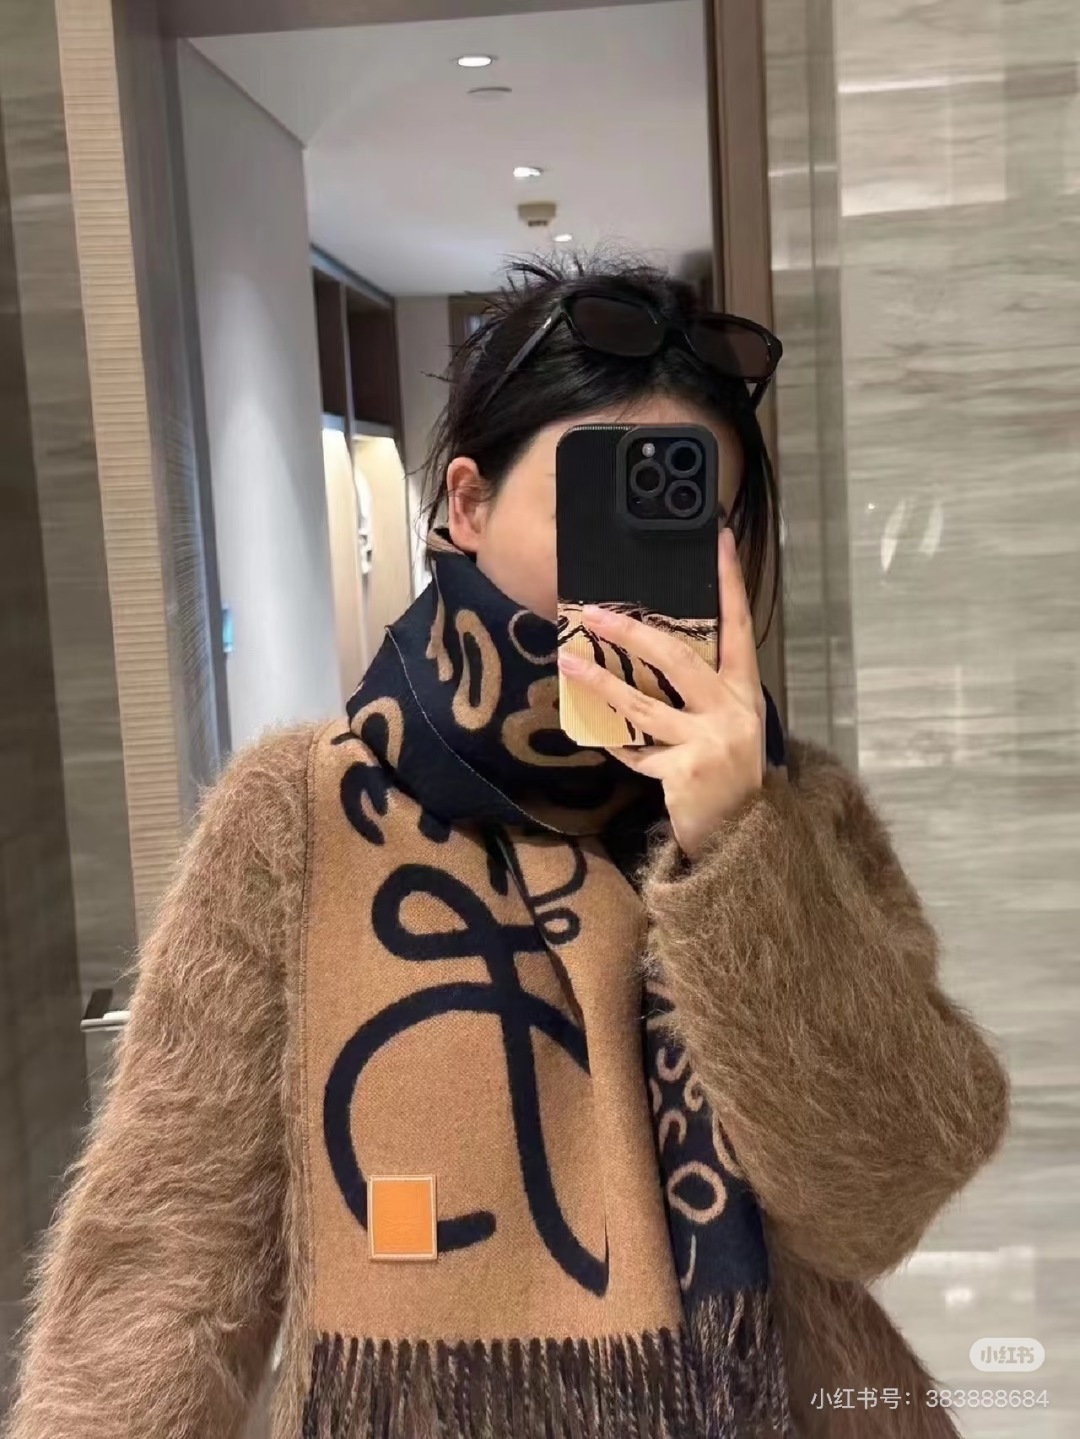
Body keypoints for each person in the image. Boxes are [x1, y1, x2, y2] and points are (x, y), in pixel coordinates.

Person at [6, 257, 1008, 1439]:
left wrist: (740, 847)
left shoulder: (793, 814)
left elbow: (880, 1196)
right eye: (598, 509)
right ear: (468, 504)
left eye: (693, 518)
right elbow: (161, 1279)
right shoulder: (298, 819)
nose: (636, 572)